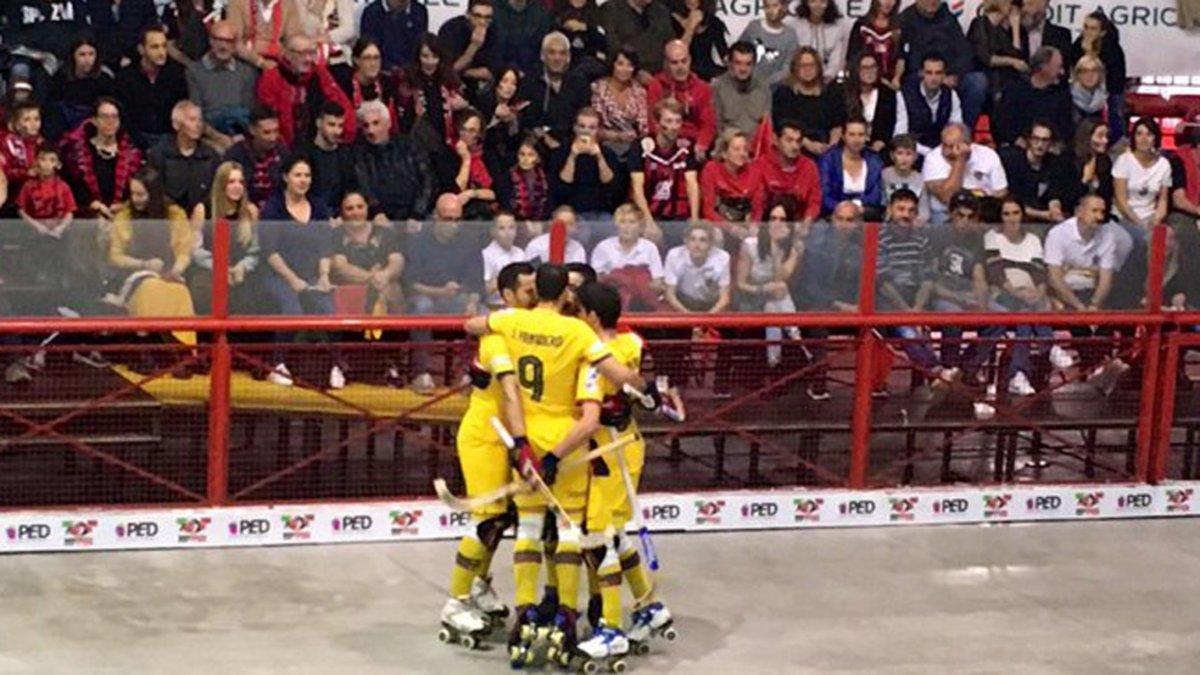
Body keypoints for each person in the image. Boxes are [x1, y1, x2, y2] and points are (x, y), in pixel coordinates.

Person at [461, 264, 649, 668]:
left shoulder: (511, 323)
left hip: (523, 434)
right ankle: (568, 611)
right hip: (571, 444)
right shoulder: (580, 333)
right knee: (573, 531)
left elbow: (472, 326)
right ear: (565, 293)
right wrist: (643, 387)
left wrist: (524, 446)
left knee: (528, 528)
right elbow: (618, 374)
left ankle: (524, 609)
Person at [573, 279, 672, 661]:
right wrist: (641, 387)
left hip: (612, 454)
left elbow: (604, 394)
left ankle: (611, 628)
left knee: (599, 538)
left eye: (578, 311)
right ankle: (649, 605)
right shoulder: (631, 343)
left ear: (592, 316)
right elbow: (631, 376)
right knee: (615, 538)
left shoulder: (594, 360)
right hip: (622, 449)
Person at [439, 260, 536, 644]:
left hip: (512, 436)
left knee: (505, 520)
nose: (535, 297)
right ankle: (456, 600)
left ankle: (479, 584)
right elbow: (509, 390)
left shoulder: (529, 327)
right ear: (508, 296)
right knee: (487, 521)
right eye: (528, 291)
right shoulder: (497, 335)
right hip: (485, 436)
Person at [258, 155, 340, 389]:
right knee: (291, 307)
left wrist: (324, 276)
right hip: (279, 275)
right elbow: (270, 252)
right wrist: (293, 280)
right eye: (298, 175)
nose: (303, 180)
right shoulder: (274, 208)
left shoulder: (319, 206)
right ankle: (278, 364)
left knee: (328, 308)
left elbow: (325, 247)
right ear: (286, 177)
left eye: (307, 176)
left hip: (312, 273)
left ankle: (334, 364)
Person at [107, 166, 197, 370]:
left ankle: (184, 350)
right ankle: (144, 347)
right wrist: (143, 264)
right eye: (133, 194)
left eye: (141, 194)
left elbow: (184, 250)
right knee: (151, 287)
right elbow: (115, 257)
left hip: (167, 272)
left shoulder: (174, 214)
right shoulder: (125, 216)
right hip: (134, 272)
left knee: (180, 292)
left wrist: (177, 269)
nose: (136, 199)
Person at [984, 197, 1074, 396]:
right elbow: (995, 273)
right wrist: (1018, 293)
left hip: (1030, 296)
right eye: (1006, 214)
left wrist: (1039, 292)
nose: (1011, 218)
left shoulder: (1033, 239)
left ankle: (1019, 374)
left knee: (1030, 312)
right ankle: (1047, 347)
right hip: (1002, 294)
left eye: (1015, 213)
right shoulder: (992, 237)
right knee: (1025, 314)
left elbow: (1039, 273)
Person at [876, 188, 960, 391]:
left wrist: (918, 308)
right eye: (901, 209)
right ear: (890, 210)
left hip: (919, 298)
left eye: (911, 210)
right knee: (907, 329)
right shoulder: (879, 237)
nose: (905, 215)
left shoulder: (922, 239)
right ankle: (937, 372)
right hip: (889, 299)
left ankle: (951, 367)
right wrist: (908, 312)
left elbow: (928, 278)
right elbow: (882, 282)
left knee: (952, 313)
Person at [406, 193, 486, 393]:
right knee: (422, 307)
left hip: (456, 300)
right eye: (448, 219)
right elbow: (410, 283)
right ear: (435, 217)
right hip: (426, 297)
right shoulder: (418, 241)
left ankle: (469, 373)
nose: (454, 225)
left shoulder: (470, 241)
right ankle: (421, 374)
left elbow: (476, 283)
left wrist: (472, 302)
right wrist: (439, 291)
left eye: (457, 220)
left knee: (484, 314)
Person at [1044, 194, 1122, 369]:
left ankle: (1104, 363)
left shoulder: (1107, 235)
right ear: (1079, 211)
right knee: (1076, 320)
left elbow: (1106, 277)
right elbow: (1054, 277)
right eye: (1094, 211)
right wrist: (1080, 307)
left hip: (1092, 292)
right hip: (1065, 292)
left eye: (1102, 212)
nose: (1100, 217)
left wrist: (1095, 304)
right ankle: (1096, 366)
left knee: (1112, 312)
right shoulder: (1058, 233)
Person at [797, 201, 863, 399]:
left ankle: (870, 386)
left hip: (853, 308)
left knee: (878, 328)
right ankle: (818, 382)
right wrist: (839, 306)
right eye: (840, 219)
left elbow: (866, 283)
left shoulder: (863, 248)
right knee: (818, 325)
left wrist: (858, 306)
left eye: (850, 220)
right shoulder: (817, 246)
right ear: (832, 220)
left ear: (858, 223)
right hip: (820, 305)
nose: (844, 225)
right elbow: (810, 286)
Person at [929, 191, 996, 384]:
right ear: (950, 214)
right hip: (941, 295)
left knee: (998, 319)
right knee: (953, 315)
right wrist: (958, 298)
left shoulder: (976, 239)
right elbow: (930, 280)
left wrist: (982, 304)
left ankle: (966, 368)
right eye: (960, 215)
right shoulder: (937, 235)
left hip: (966, 294)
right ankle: (949, 368)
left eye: (970, 217)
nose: (964, 221)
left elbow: (979, 276)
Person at [188, 161, 263, 316]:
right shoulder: (203, 210)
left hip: (241, 269)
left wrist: (242, 267)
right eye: (231, 182)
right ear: (221, 184)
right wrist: (220, 268)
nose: (237, 186)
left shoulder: (251, 211)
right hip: (209, 269)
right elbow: (195, 250)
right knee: (204, 291)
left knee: (255, 293)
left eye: (241, 182)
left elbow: (255, 251)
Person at [897, 0, 987, 128]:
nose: (932, 2)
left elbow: (965, 52)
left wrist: (955, 75)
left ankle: (962, 134)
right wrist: (935, 76)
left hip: (950, 74)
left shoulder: (947, 17)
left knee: (978, 82)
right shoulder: (905, 20)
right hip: (921, 75)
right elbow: (906, 59)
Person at [255, 34, 356, 148]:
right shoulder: (271, 78)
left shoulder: (320, 74)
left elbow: (341, 103)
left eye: (311, 53)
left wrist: (345, 136)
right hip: (284, 148)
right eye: (301, 53)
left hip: (318, 144)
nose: (308, 59)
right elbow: (268, 119)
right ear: (287, 54)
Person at [736, 197, 803, 366]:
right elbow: (740, 284)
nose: (777, 224)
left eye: (782, 220)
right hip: (752, 298)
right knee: (777, 295)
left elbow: (781, 278)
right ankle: (796, 338)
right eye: (773, 219)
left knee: (774, 304)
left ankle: (773, 361)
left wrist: (775, 251)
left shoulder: (795, 247)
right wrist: (763, 289)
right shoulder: (749, 245)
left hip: (776, 302)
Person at [630, 99, 700, 248]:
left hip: (679, 215)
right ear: (656, 123)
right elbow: (637, 188)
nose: (674, 127)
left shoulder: (686, 146)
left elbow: (692, 184)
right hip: (651, 213)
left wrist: (694, 220)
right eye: (668, 121)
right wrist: (649, 223)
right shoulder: (641, 146)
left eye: (677, 121)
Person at [59, 98, 144, 220]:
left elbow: (139, 188)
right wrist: (94, 205)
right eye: (105, 117)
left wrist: (124, 205)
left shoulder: (133, 153)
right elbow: (73, 186)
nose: (110, 122)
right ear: (94, 120)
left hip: (124, 215)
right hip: (87, 216)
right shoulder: (77, 152)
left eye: (114, 117)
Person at [184, 21, 259, 154]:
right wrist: (221, 138)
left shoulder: (246, 72)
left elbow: (249, 112)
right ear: (210, 40)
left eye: (229, 41)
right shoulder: (194, 72)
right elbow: (196, 117)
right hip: (206, 137)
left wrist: (239, 137)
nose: (223, 46)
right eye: (219, 40)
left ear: (235, 44)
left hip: (240, 136)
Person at [352, 100, 434, 221]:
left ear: (388, 123)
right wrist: (377, 212)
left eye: (376, 123)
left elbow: (428, 180)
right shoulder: (359, 154)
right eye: (366, 125)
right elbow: (363, 184)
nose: (371, 131)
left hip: (415, 215)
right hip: (378, 218)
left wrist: (417, 213)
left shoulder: (410, 146)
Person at [550, 108, 623, 237]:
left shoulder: (607, 154)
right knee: (582, 232)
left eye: (592, 127)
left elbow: (612, 185)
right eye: (582, 126)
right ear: (575, 128)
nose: (586, 131)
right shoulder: (561, 152)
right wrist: (573, 156)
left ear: (598, 131)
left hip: (600, 212)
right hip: (571, 212)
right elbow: (561, 187)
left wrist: (599, 157)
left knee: (613, 230)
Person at [331, 191, 406, 317]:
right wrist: (372, 278)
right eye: (350, 209)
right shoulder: (336, 235)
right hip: (351, 291)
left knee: (393, 288)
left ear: (367, 208)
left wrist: (385, 275)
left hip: (384, 289)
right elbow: (339, 267)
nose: (356, 212)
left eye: (360, 207)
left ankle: (398, 332)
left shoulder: (384, 232)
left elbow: (397, 261)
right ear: (342, 213)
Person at [116, 26, 189, 150]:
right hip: (135, 140)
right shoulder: (125, 78)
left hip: (170, 139)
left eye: (164, 46)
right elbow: (124, 117)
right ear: (141, 49)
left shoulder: (177, 74)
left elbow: (182, 108)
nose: (161, 52)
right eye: (155, 47)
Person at [923, 123, 1008, 225]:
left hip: (983, 213)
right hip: (945, 213)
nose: (946, 151)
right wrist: (960, 160)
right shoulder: (932, 158)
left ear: (968, 144)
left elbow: (1001, 193)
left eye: (952, 146)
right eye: (944, 145)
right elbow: (947, 197)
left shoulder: (988, 155)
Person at [646, 39, 716, 160]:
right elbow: (653, 122)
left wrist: (702, 144)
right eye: (675, 63)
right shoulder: (656, 85)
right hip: (665, 143)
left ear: (690, 60)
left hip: (694, 145)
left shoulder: (702, 87)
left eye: (684, 61)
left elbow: (709, 123)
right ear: (666, 64)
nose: (680, 67)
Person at [520, 32, 590, 151]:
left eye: (562, 53)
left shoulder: (579, 83)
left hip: (572, 143)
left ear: (568, 58)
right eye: (552, 52)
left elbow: (584, 118)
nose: (557, 58)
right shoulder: (529, 83)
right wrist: (545, 138)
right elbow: (526, 122)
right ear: (543, 56)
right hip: (538, 143)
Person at [590, 203, 666, 311]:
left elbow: (658, 281)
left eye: (632, 222)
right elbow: (596, 279)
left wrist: (639, 284)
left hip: (642, 303)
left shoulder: (650, 247)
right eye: (623, 222)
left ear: (640, 226)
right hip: (612, 302)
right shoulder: (603, 247)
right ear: (616, 224)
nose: (627, 227)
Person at [148, 100, 220, 212]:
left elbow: (216, 191)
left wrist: (203, 207)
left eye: (200, 120)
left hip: (204, 216)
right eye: (192, 120)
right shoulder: (159, 154)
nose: (198, 125)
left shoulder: (211, 155)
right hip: (167, 217)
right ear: (176, 125)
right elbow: (156, 191)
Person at [772, 48, 845, 157]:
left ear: (818, 67)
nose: (807, 69)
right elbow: (783, 126)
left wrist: (831, 148)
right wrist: (809, 144)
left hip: (827, 149)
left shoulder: (831, 93)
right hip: (795, 149)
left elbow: (837, 125)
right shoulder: (784, 94)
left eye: (811, 65)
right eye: (803, 66)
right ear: (795, 68)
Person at [399, 34, 468, 148]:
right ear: (418, 57)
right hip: (418, 141)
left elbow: (462, 107)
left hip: (446, 141)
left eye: (434, 56)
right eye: (425, 56)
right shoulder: (408, 80)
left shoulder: (449, 79)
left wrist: (463, 105)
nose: (430, 61)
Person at [1067, 9, 1126, 144]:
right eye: (1086, 27)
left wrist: (1089, 52)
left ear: (1102, 32)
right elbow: (1074, 72)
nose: (1087, 32)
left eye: (1093, 29)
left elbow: (1113, 83)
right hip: (1080, 97)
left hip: (1106, 96)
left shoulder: (1113, 50)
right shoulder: (1077, 45)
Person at [993, 46, 1072, 146]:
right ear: (1043, 67)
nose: (1062, 72)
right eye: (1058, 67)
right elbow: (1001, 123)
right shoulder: (1014, 90)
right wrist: (1016, 140)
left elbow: (1066, 129)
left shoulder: (1062, 95)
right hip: (1018, 148)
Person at [45, 35, 116, 141]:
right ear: (73, 56)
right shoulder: (60, 78)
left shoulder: (104, 79)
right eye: (82, 55)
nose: (87, 59)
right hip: (66, 123)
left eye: (91, 54)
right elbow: (52, 105)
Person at [999, 120, 1071, 223]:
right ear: (1029, 139)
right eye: (1036, 139)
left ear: (1051, 143)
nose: (1040, 144)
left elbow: (1054, 195)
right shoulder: (1013, 162)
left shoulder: (1054, 164)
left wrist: (1055, 210)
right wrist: (1043, 215)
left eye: (1045, 140)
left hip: (1044, 220)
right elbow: (1012, 202)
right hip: (1017, 218)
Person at [433, 108, 500, 221]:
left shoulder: (488, 155)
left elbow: (499, 192)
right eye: (463, 129)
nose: (466, 134)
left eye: (472, 130)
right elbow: (455, 192)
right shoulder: (446, 154)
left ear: (479, 134)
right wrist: (466, 159)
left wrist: (471, 194)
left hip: (487, 210)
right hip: (458, 212)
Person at [752, 119, 821, 226]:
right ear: (775, 140)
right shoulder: (761, 165)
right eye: (789, 140)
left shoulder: (809, 166)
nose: (795, 146)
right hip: (767, 226)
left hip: (800, 225)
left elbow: (814, 202)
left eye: (798, 141)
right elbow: (757, 202)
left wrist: (806, 223)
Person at [894, 53, 963, 156]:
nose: (933, 78)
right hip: (914, 153)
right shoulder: (904, 95)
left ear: (944, 75)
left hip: (943, 152)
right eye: (929, 73)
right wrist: (927, 152)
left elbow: (956, 130)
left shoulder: (951, 95)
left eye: (938, 73)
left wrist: (941, 151)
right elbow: (900, 135)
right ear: (921, 73)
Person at [1113, 118, 1171, 239]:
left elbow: (1163, 201)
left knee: (1168, 238)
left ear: (1155, 138)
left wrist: (1156, 220)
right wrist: (1139, 223)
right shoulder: (1124, 160)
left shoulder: (1164, 164)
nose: (1144, 139)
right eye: (1139, 134)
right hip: (1125, 216)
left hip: (1150, 216)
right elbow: (1120, 200)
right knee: (1144, 238)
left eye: (1149, 134)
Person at [818, 117, 883, 219]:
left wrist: (856, 206)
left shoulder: (874, 160)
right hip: (833, 214)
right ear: (843, 136)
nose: (856, 140)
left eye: (861, 135)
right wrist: (844, 209)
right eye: (852, 134)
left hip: (864, 214)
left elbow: (876, 195)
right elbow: (824, 195)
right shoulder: (828, 159)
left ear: (867, 137)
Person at [296, 102, 356, 213]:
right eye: (331, 125)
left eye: (340, 126)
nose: (337, 131)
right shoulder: (303, 154)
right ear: (319, 123)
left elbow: (351, 189)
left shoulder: (347, 155)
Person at [333, 38, 401, 136]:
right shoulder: (344, 84)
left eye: (376, 58)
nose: (373, 63)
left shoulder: (387, 84)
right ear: (356, 60)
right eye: (367, 58)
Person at [475, 66, 540, 167]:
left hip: (507, 157)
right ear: (497, 83)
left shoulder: (517, 109)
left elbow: (515, 141)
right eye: (505, 81)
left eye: (513, 83)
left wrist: (513, 123)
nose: (509, 87)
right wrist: (495, 117)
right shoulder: (484, 103)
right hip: (483, 153)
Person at [591, 48, 649, 158]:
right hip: (604, 144)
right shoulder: (598, 88)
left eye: (630, 65)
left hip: (633, 144)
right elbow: (594, 125)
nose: (625, 69)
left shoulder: (639, 91)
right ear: (613, 65)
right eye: (620, 64)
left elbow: (643, 126)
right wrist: (617, 136)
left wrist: (636, 136)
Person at [223, 106, 284, 210]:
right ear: (252, 130)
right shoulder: (235, 155)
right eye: (267, 132)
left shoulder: (283, 153)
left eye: (276, 131)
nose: (273, 138)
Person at [663, 221, 731, 313]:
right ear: (685, 241)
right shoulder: (674, 255)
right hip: (682, 302)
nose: (697, 245)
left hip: (713, 304)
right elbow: (670, 294)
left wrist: (706, 319)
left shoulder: (723, 257)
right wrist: (690, 317)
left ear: (711, 243)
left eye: (703, 240)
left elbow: (724, 298)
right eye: (692, 239)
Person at [700, 129, 761, 231]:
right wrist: (731, 228)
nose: (742, 153)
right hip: (718, 225)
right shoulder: (711, 169)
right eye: (736, 149)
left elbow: (758, 208)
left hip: (744, 225)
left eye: (745, 149)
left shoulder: (754, 172)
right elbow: (708, 210)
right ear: (724, 153)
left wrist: (754, 226)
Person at [967, 0, 1026, 104]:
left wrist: (1016, 30)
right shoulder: (979, 24)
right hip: (986, 77)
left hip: (1005, 80)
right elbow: (985, 57)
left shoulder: (1002, 31)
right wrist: (1011, 61)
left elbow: (1018, 59)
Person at [438, 0, 502, 94]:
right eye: (477, 16)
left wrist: (460, 72)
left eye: (487, 17)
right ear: (468, 15)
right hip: (451, 87)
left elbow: (491, 73)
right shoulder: (450, 29)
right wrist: (474, 46)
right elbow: (448, 70)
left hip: (482, 89)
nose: (482, 22)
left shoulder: (495, 31)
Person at [601, 0, 675, 79]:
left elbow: (671, 45)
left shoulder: (661, 10)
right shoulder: (612, 9)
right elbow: (613, 48)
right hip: (630, 75)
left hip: (663, 75)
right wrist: (636, 72)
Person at [711, 41, 770, 138]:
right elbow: (715, 127)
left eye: (748, 64)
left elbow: (766, 127)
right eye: (738, 63)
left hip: (755, 148)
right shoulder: (717, 87)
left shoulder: (764, 89)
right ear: (730, 63)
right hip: (727, 147)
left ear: (754, 64)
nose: (743, 69)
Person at [17, 148, 75, 246]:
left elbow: (70, 212)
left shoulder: (63, 187)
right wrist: (37, 226)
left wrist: (60, 228)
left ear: (58, 165)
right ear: (36, 162)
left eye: (52, 160)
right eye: (43, 159)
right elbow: (21, 210)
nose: (47, 164)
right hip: (34, 237)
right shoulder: (28, 186)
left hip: (59, 236)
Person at [225, 0, 305, 69]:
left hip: (278, 62)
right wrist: (259, 62)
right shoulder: (238, 2)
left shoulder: (289, 4)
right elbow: (235, 41)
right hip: (246, 60)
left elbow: (293, 39)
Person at [844, 52, 897, 154]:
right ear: (856, 70)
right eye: (864, 68)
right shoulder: (845, 93)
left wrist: (882, 141)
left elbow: (891, 122)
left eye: (873, 67)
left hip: (881, 148)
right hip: (850, 146)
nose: (870, 71)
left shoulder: (887, 94)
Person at [736, 0, 798, 85]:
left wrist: (765, 83)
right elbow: (738, 51)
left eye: (775, 5)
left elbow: (787, 68)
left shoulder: (790, 35)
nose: (770, 10)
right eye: (767, 6)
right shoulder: (753, 27)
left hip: (775, 90)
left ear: (783, 7)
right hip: (747, 85)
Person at [845, 0, 903, 89]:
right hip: (864, 83)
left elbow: (902, 57)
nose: (888, 2)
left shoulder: (900, 27)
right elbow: (852, 57)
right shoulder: (861, 26)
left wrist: (897, 78)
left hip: (891, 85)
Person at [787, 0, 850, 81]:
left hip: (828, 82)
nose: (818, 5)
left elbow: (836, 61)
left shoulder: (839, 27)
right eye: (813, 1)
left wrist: (826, 78)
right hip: (798, 81)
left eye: (822, 1)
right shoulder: (793, 25)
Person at [359, 0, 429, 70]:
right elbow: (369, 49)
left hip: (411, 72)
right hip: (380, 72)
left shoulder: (419, 11)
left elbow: (419, 47)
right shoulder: (371, 13)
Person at [495, 0, 555, 77]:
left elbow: (541, 49)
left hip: (532, 75)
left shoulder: (540, 13)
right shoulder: (494, 11)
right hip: (498, 74)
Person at [670, 0, 728, 81]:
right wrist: (691, 26)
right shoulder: (670, 21)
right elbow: (676, 53)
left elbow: (724, 53)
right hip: (681, 71)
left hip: (707, 72)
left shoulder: (713, 22)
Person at [1, 102, 45, 203]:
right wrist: (25, 173)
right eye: (27, 120)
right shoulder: (7, 143)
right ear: (14, 124)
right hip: (13, 190)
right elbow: (5, 171)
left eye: (37, 119)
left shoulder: (42, 143)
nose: (33, 124)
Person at [881, 134, 931, 223]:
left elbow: (924, 209)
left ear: (915, 156)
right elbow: (882, 203)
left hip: (913, 224)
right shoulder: (884, 175)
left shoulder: (920, 179)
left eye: (908, 154)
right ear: (892, 155)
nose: (904, 159)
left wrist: (917, 221)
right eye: (900, 153)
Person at [555, 0, 607, 82]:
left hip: (590, 61)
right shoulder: (558, 7)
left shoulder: (596, 10)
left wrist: (585, 27)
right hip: (564, 58)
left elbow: (603, 39)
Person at [482, 214, 527, 307]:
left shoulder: (520, 253)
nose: (508, 232)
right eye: (502, 228)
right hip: (496, 305)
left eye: (511, 227)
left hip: (520, 305)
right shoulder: (486, 254)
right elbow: (485, 288)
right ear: (493, 231)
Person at [1069, 118, 1113, 213]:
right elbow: (1068, 199)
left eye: (1106, 136)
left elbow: (1107, 197)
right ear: (1086, 137)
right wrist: (1084, 180)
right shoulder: (1069, 160)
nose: (1105, 141)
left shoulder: (1105, 162)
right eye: (1100, 136)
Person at [504, 137, 551, 223]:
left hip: (540, 222)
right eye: (522, 154)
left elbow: (548, 205)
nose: (525, 159)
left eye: (531, 155)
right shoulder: (508, 176)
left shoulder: (546, 177)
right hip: (516, 222)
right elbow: (507, 203)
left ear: (538, 158)